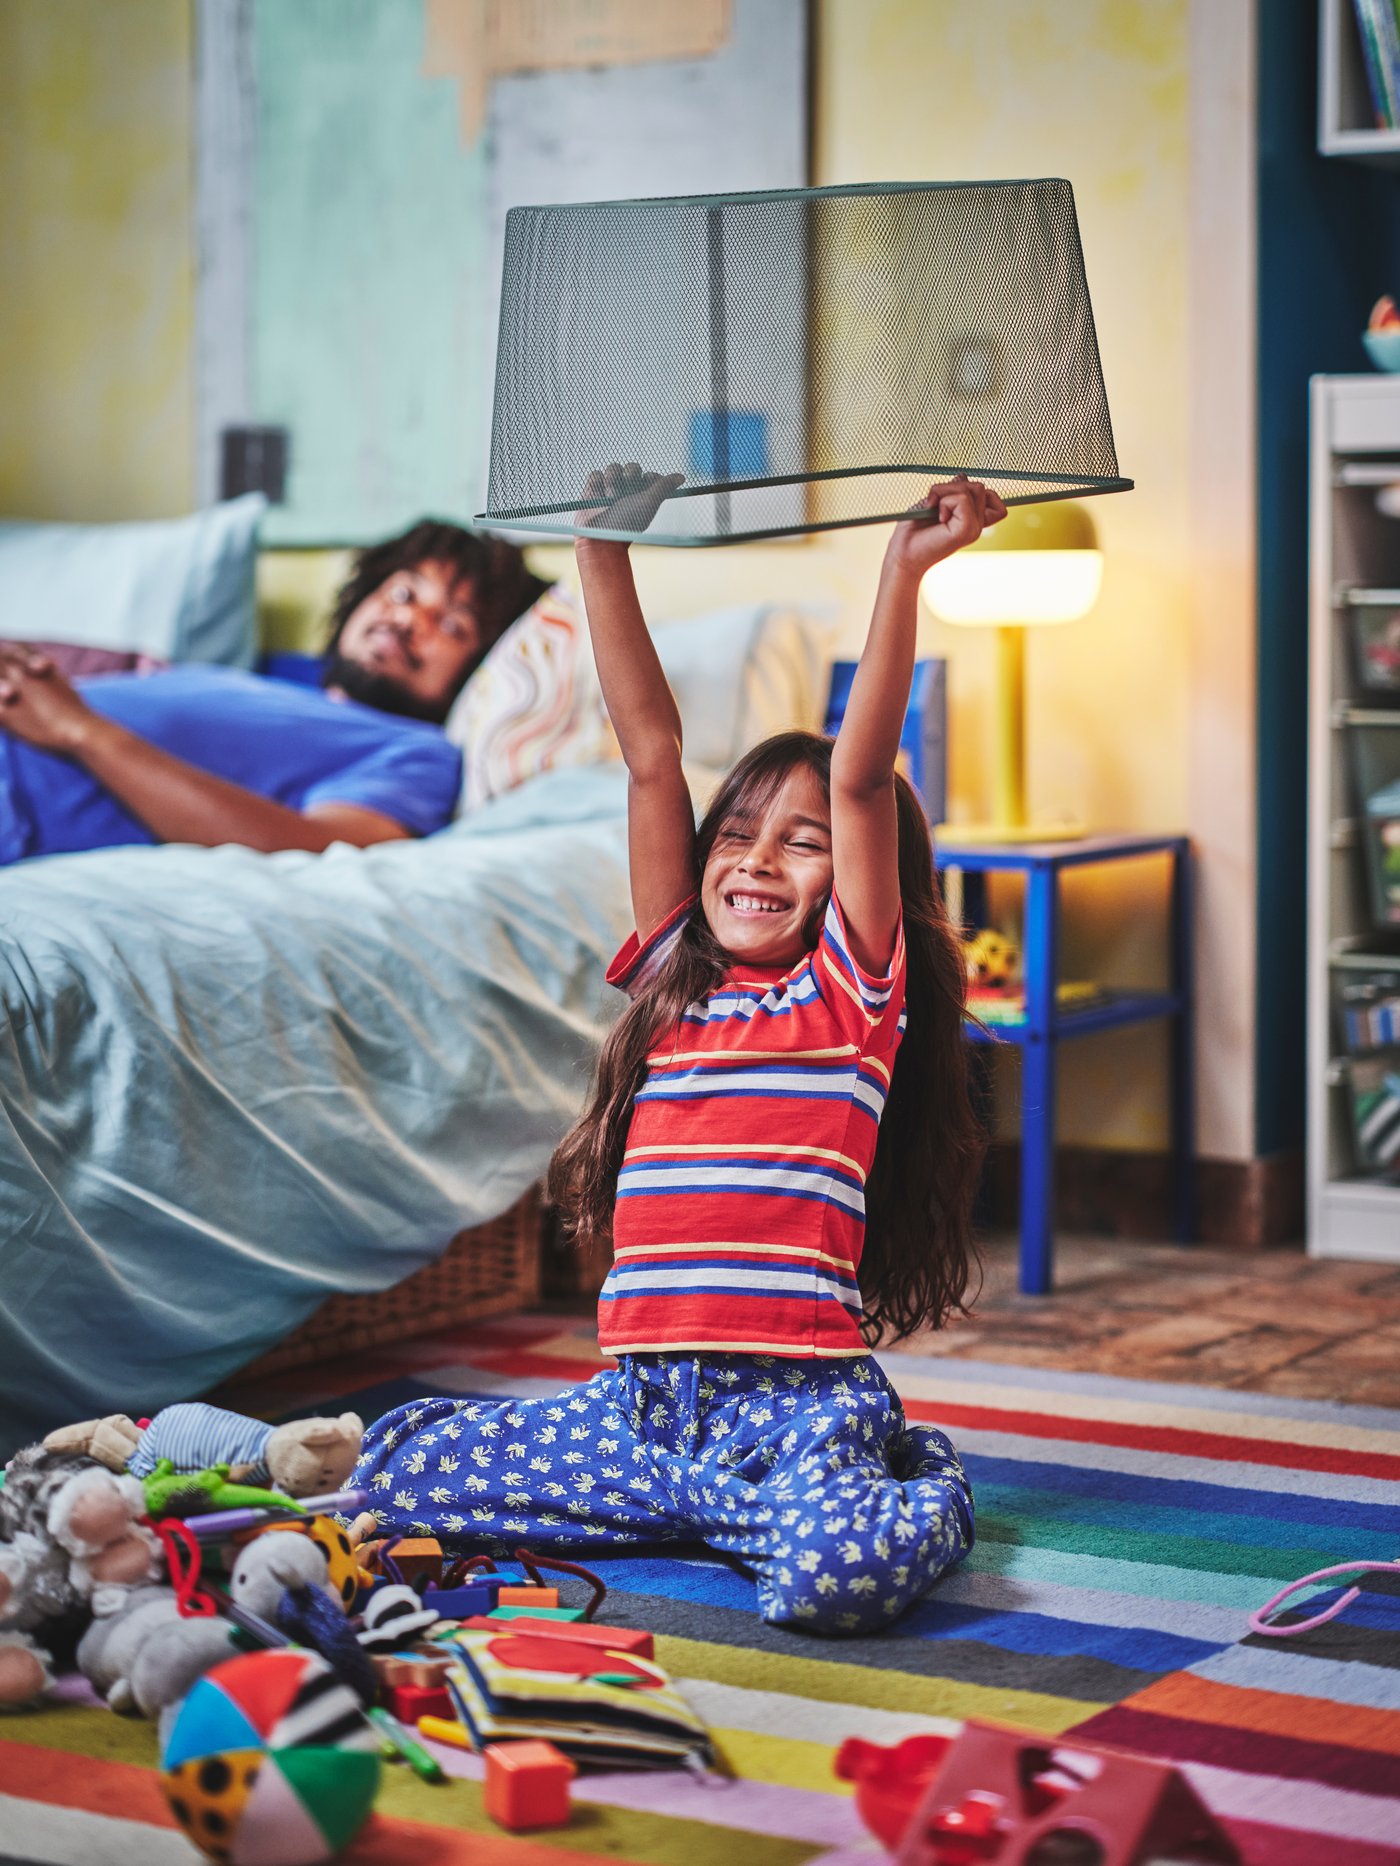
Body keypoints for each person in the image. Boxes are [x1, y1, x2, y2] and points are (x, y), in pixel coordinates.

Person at [321, 467, 1002, 1636]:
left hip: (791, 1405)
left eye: (801, 847)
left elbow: (856, 774)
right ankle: (707, 1510)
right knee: (392, 1485)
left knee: (828, 1584)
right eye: (734, 835)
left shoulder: (850, 997)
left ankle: (901, 1479)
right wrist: (597, 549)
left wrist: (902, 572)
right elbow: (649, 751)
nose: (754, 861)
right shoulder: (672, 980)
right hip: (641, 1405)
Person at [0, 520, 547, 866]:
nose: (407, 620)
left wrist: (81, 731)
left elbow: (320, 850)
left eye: (450, 625)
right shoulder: (271, 675)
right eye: (403, 593)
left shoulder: (416, 753)